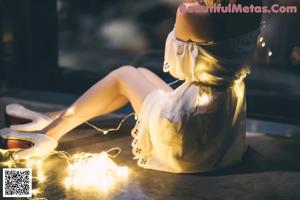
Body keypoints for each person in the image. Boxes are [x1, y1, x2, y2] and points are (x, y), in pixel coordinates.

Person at [0, 0, 262, 173]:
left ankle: (50, 134)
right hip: (222, 126)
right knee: (139, 73)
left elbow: (178, 67)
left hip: (189, 134)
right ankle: (51, 119)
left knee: (124, 75)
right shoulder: (251, 5)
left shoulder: (193, 12)